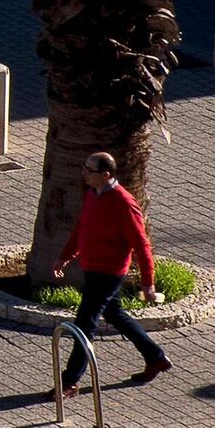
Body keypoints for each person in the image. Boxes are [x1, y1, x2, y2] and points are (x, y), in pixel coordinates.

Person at [64, 151, 170, 383]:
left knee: (84, 325)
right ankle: (155, 357)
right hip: (92, 270)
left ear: (106, 174)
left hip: (108, 274)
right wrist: (65, 256)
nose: (83, 172)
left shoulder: (124, 203)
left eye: (89, 170)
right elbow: (83, 226)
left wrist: (148, 282)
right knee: (116, 314)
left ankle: (69, 382)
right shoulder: (92, 193)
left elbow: (142, 245)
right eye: (84, 166)